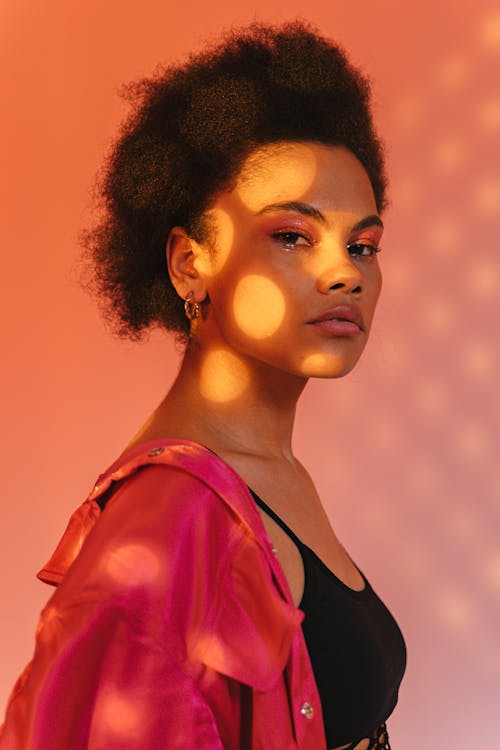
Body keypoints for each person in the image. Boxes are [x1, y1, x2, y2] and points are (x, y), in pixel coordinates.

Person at [0, 20, 406, 750]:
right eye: (292, 236)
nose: (344, 271)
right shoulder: (163, 527)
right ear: (190, 263)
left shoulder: (272, 474)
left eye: (363, 245)